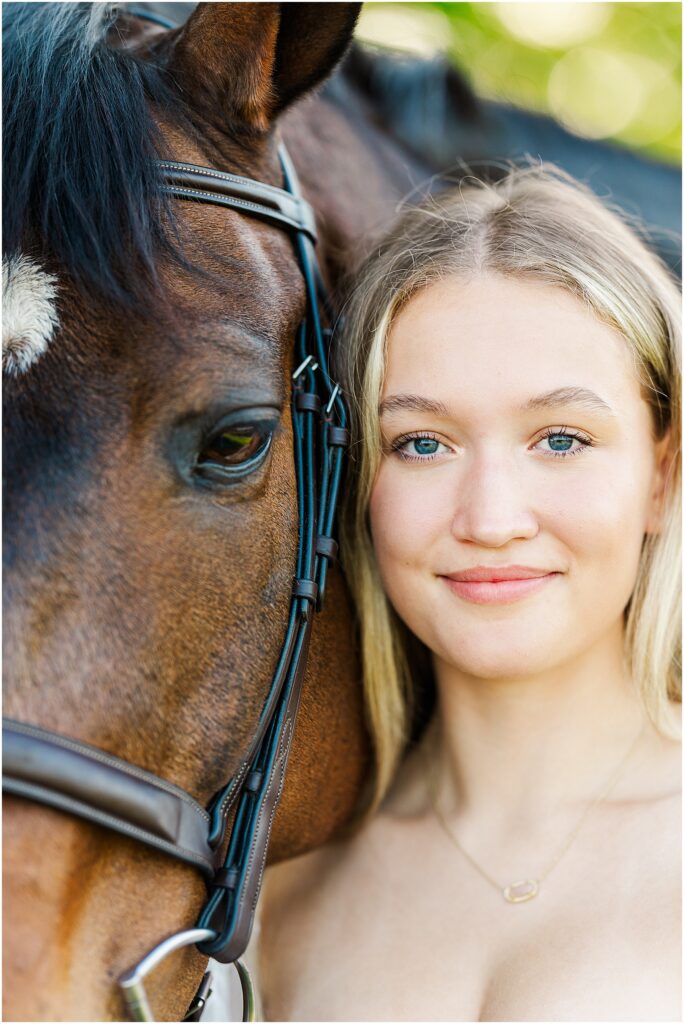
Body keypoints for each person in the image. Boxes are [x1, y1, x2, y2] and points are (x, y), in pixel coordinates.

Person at [257, 165, 682, 1022]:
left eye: (560, 439)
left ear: (662, 474)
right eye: (421, 443)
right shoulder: (277, 893)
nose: (491, 518)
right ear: (361, 483)